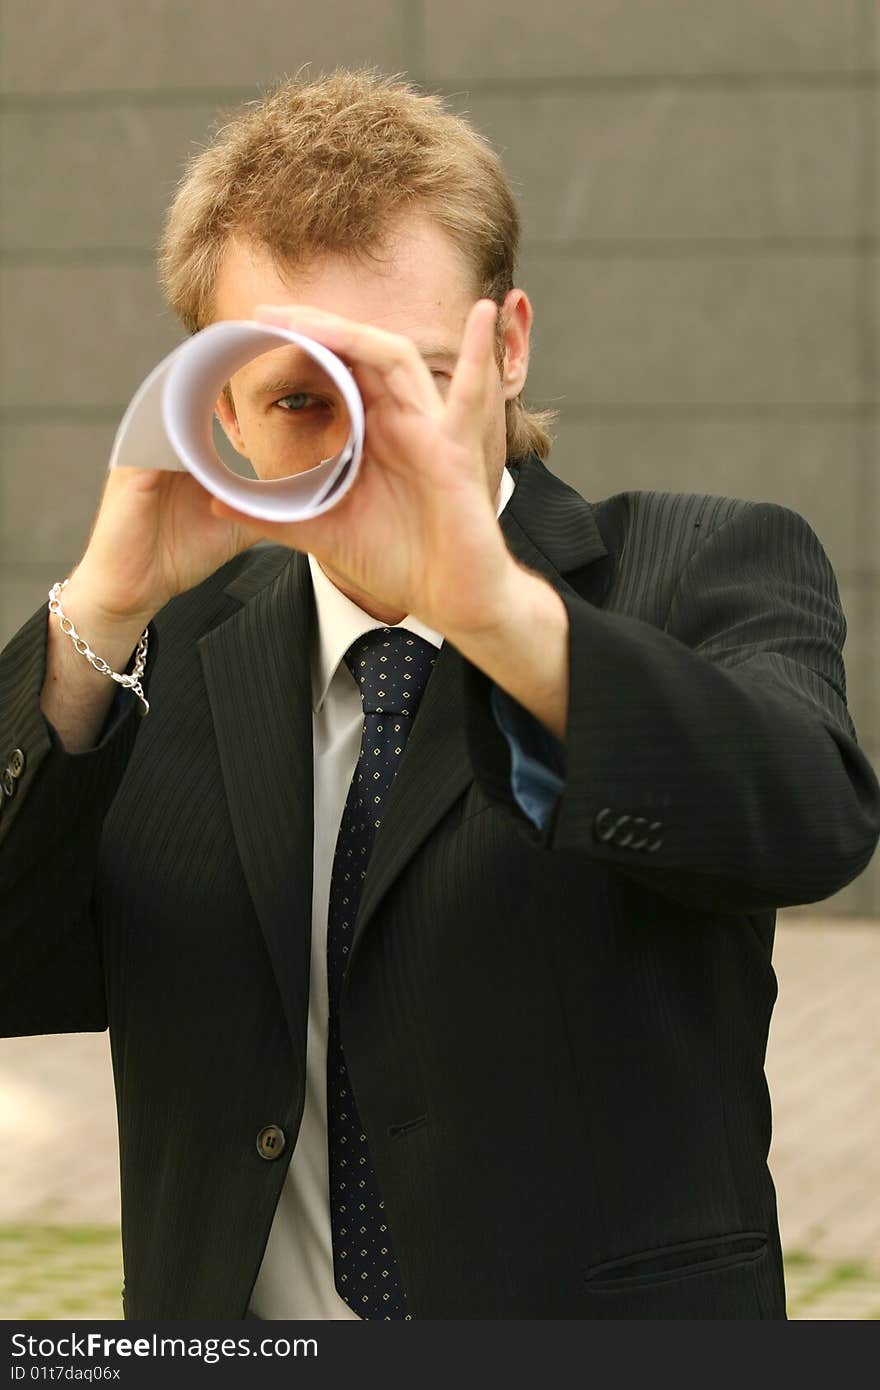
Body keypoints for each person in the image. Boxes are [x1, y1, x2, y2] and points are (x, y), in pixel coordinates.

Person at [1, 68, 878, 1323]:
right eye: (306, 395)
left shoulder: (701, 568)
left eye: (404, 384)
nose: (360, 445)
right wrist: (100, 606)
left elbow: (809, 819)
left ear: (507, 345)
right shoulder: (169, 654)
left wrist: (500, 618)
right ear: (219, 403)